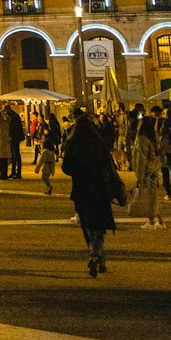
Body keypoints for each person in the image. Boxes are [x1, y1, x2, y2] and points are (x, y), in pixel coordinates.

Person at [62, 109, 126, 276]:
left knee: (89, 225)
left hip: (81, 190)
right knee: (99, 225)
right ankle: (96, 255)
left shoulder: (73, 145)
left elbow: (66, 167)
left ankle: (97, 255)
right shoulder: (98, 145)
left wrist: (78, 171)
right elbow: (108, 167)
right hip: (99, 189)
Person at [131, 115, 164, 228]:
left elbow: (141, 159)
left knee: (147, 196)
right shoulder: (153, 137)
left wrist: (139, 176)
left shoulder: (142, 140)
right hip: (154, 169)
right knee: (153, 195)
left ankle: (151, 221)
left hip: (146, 171)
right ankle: (160, 220)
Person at [37, 118, 59, 195]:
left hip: (45, 167)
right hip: (49, 167)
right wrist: (53, 171)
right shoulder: (51, 152)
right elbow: (53, 162)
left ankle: (49, 187)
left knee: (44, 178)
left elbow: (41, 161)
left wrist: (37, 169)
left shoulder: (45, 152)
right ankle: (49, 188)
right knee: (45, 178)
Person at [7, 104, 25, 178]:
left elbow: (13, 128)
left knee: (16, 154)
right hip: (15, 137)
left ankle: (18, 172)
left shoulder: (13, 117)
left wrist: (10, 135)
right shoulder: (14, 116)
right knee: (14, 155)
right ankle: (14, 171)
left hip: (15, 138)